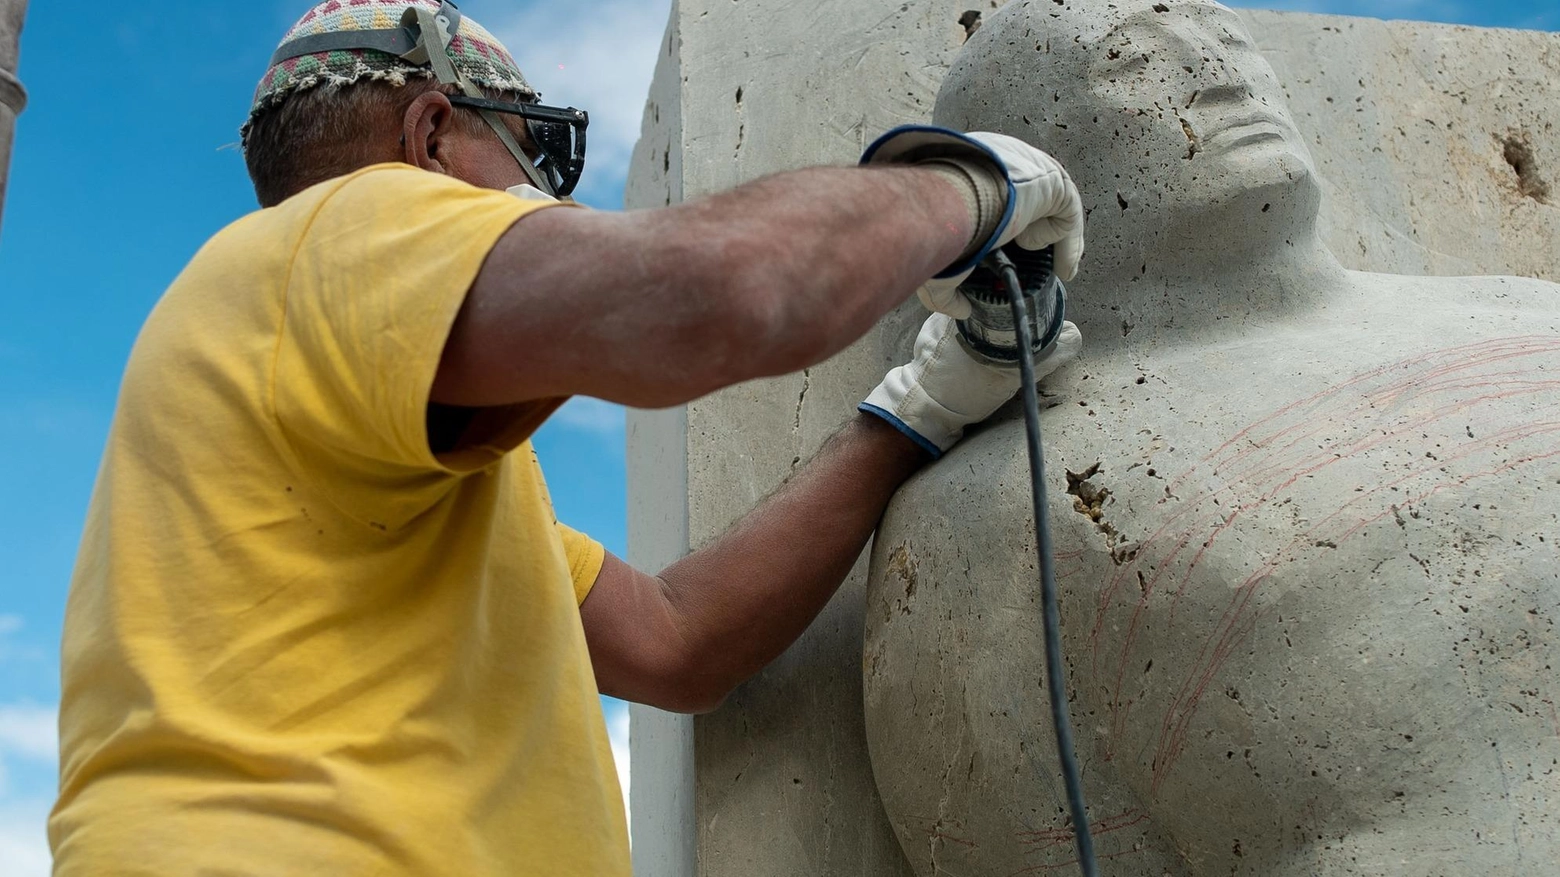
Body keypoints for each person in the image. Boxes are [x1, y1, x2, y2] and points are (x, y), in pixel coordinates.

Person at [48, 1, 1086, 874]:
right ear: (430, 136)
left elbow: (677, 639)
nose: (553, 200)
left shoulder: (345, 456)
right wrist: (973, 188)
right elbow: (726, 293)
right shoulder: (354, 223)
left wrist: (919, 411)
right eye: (530, 152)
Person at [863, 1, 1560, 875]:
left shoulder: (1527, 311)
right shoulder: (994, 509)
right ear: (1007, 176)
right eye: (1130, 62)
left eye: (1228, 40)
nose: (1216, 70)